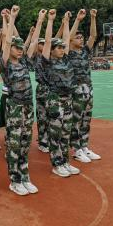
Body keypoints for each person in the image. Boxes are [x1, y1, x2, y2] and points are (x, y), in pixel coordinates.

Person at [0, 6, 38, 196]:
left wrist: (39, 22)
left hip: (27, 107)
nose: (20, 50)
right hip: (14, 107)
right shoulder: (6, 64)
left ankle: (24, 176)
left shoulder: (23, 62)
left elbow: (30, 44)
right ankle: (14, 180)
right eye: (16, 47)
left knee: (25, 142)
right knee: (14, 144)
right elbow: (7, 42)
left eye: (20, 47)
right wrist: (11, 18)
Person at [42, 10, 80, 178]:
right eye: (58, 48)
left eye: (62, 47)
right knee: (56, 134)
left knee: (65, 133)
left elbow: (66, 39)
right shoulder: (48, 62)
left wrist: (66, 22)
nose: (62, 49)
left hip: (67, 100)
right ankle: (56, 164)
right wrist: (50, 21)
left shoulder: (65, 59)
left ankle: (65, 161)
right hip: (55, 100)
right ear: (51, 50)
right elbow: (49, 40)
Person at [68, 9, 101, 163]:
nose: (81, 39)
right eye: (78, 37)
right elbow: (67, 37)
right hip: (76, 90)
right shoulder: (67, 53)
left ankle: (84, 146)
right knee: (76, 120)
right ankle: (75, 149)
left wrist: (93, 18)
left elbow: (93, 36)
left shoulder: (84, 52)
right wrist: (77, 20)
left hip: (88, 88)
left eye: (82, 37)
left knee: (86, 119)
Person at [27, 9, 48, 153]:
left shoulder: (48, 55)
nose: (42, 44)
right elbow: (33, 43)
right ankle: (42, 140)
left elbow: (53, 39)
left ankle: (48, 139)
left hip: (51, 89)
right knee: (42, 116)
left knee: (51, 116)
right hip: (41, 89)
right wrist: (39, 23)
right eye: (40, 43)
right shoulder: (35, 56)